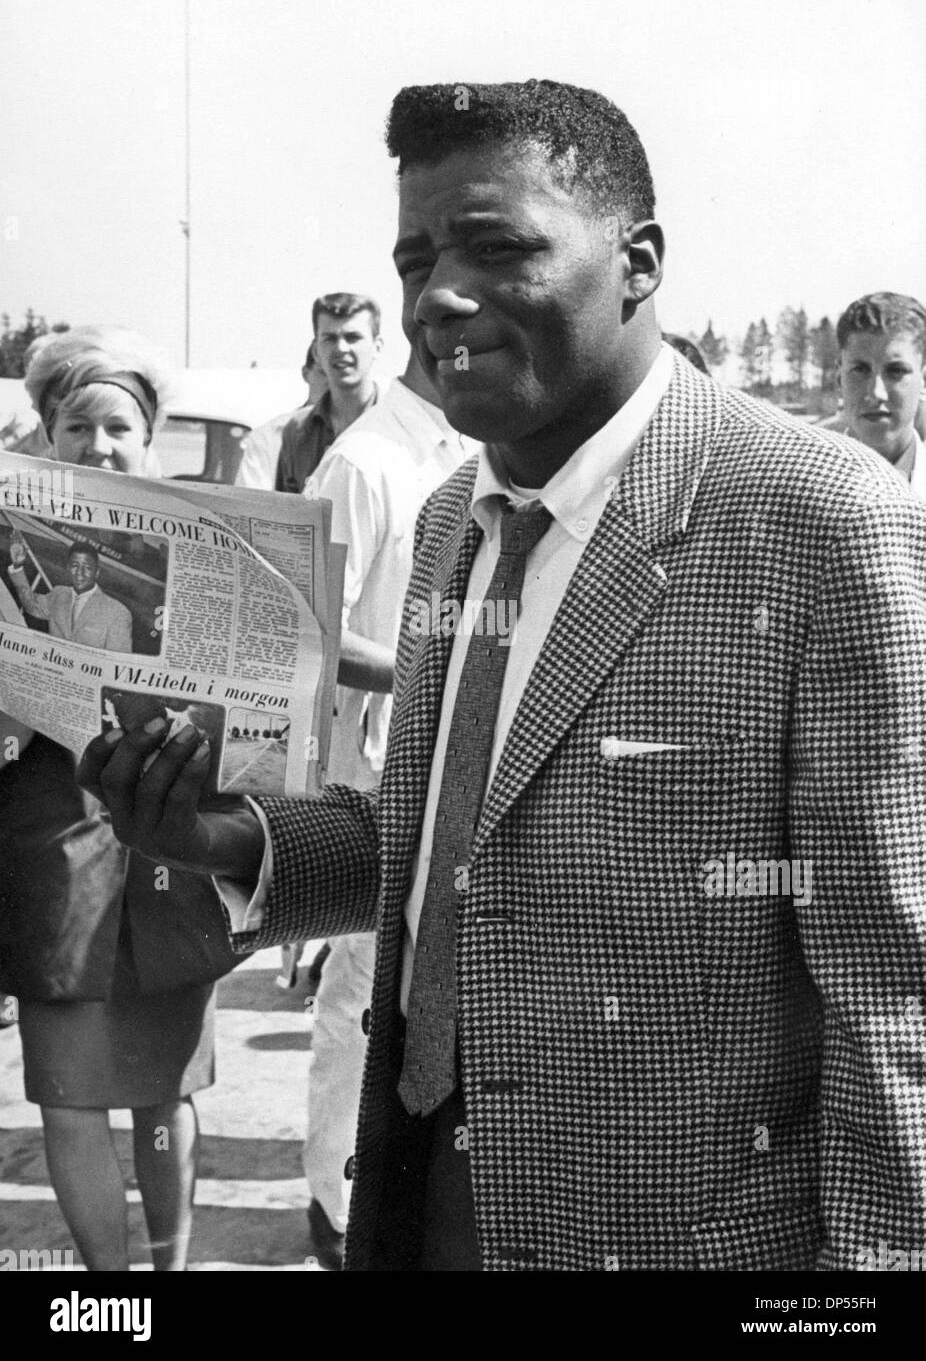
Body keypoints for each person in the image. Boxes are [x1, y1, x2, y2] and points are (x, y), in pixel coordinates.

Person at [80, 80, 926, 1272]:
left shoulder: (820, 521)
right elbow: (442, 847)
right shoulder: (449, 526)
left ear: (636, 263)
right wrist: (229, 838)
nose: (438, 299)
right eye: (416, 257)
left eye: (494, 246)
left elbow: (892, 991)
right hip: (422, 1196)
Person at [0, 325, 238, 1272]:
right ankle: (110, 1297)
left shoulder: (202, 540)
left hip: (167, 839)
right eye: (75, 427)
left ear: (151, 439)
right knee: (69, 1088)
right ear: (46, 438)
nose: (98, 447)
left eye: (120, 429)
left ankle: (166, 1283)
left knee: (164, 1084)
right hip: (50, 833)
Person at [301, 349, 475, 1268]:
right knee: (361, 995)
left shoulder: (465, 448)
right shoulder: (368, 461)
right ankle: (334, 1201)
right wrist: (430, 676)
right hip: (375, 771)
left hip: (449, 760)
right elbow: (306, 620)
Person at [236, 293, 382, 494]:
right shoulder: (296, 431)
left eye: (353, 337)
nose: (341, 348)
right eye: (330, 338)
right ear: (316, 352)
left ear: (377, 347)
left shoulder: (396, 427)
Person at [835, 292, 926, 494]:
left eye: (896, 371)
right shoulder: (799, 490)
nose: (877, 393)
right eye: (860, 370)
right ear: (839, 377)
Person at [7, 540, 133, 653]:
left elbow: (115, 663)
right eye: (75, 566)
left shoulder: (118, 613)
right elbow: (31, 605)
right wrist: (17, 566)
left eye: (87, 568)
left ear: (97, 572)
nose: (80, 573)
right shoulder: (58, 594)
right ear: (67, 568)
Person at [234, 343, 329, 491]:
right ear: (306, 374)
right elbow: (251, 508)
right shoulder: (267, 438)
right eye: (323, 372)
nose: (332, 381)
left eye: (338, 372)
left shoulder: (363, 435)